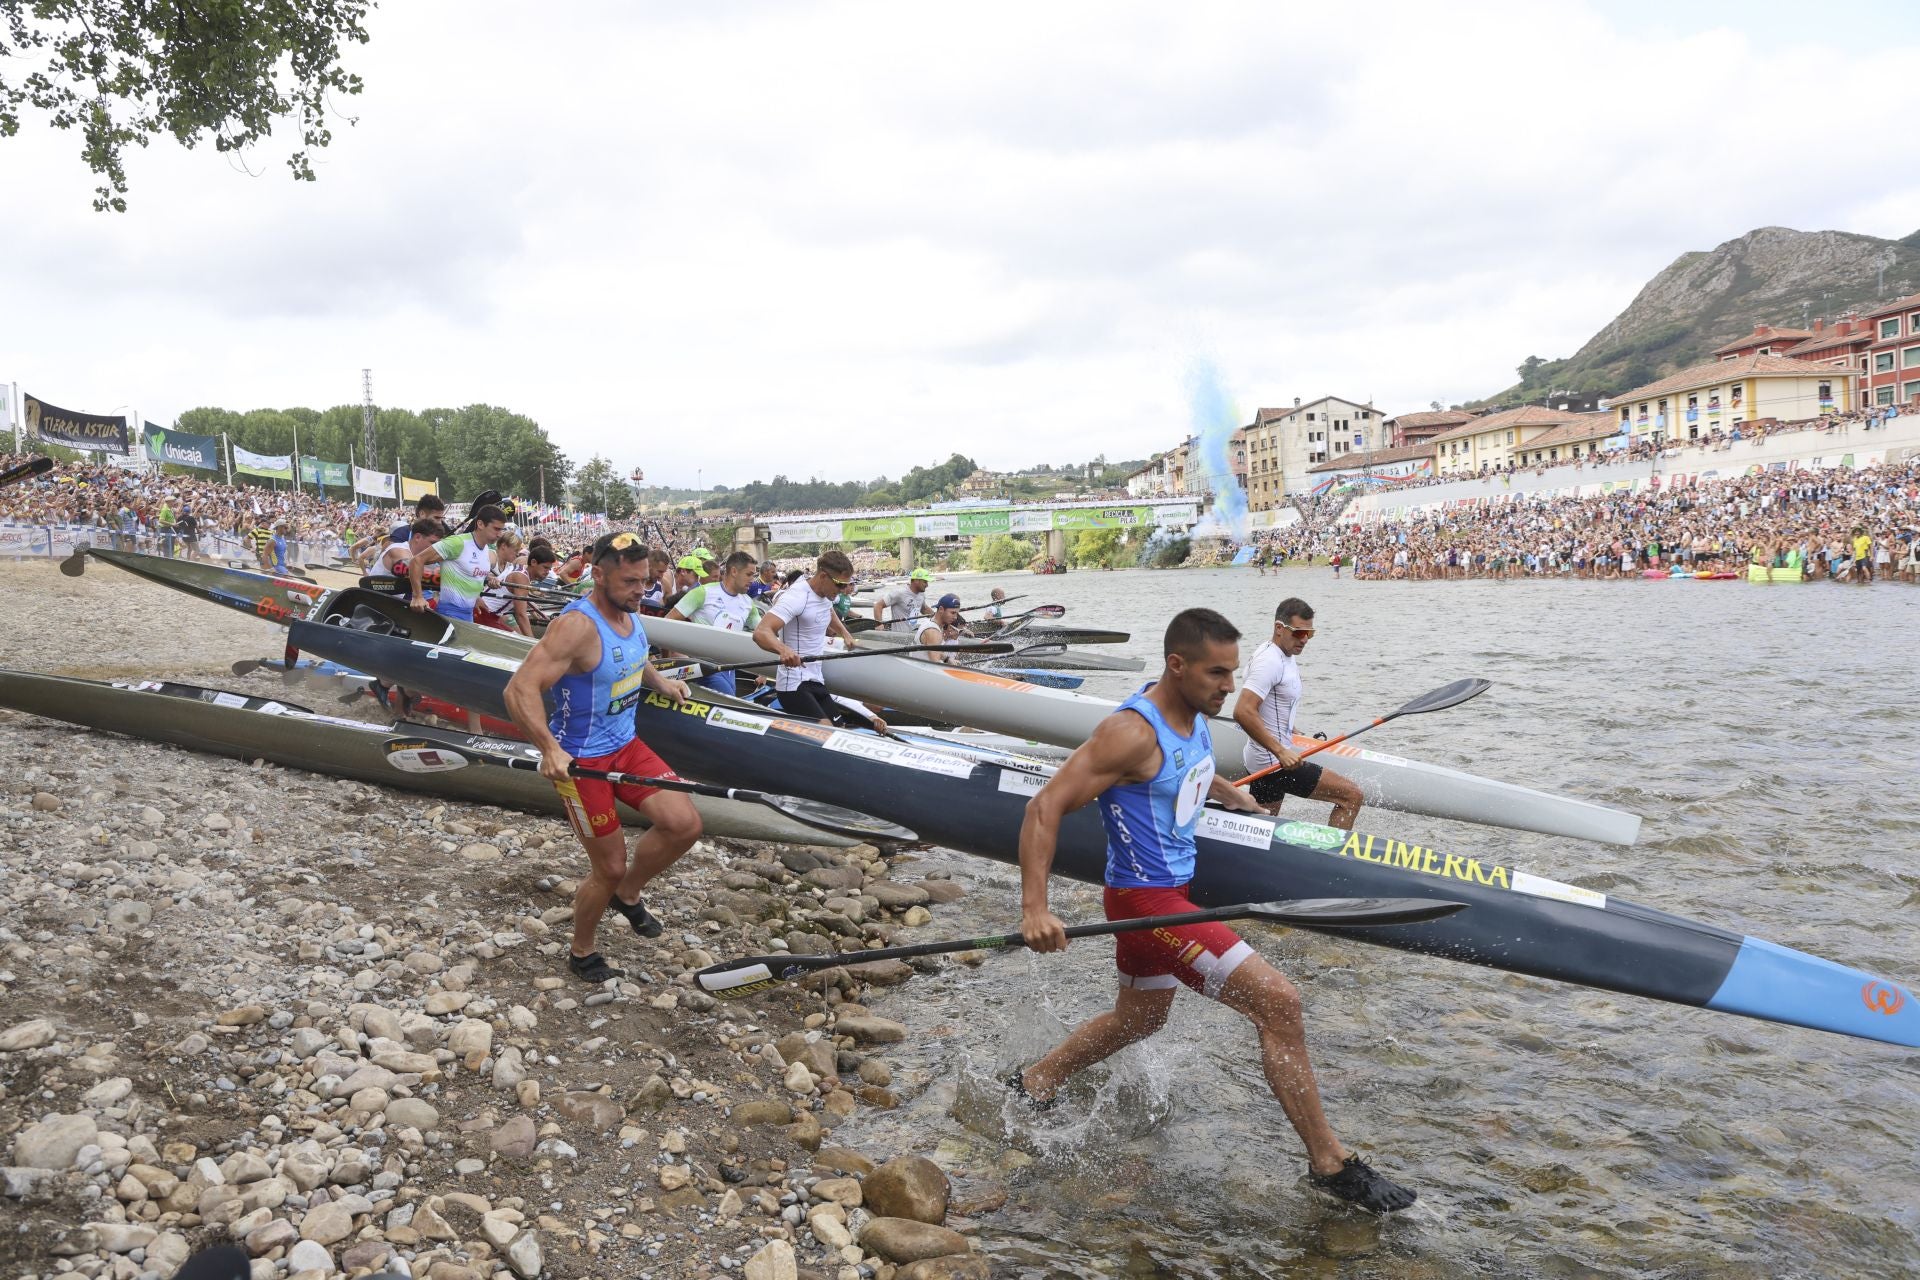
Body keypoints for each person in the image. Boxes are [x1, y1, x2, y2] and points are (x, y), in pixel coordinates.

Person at [1010, 607, 1416, 1213]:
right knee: (1280, 1003)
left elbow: (1193, 775)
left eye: (1231, 672)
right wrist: (1035, 909)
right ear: (1177, 666)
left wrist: (1237, 799)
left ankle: (1034, 1082)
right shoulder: (1131, 733)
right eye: (1218, 674)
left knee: (1140, 1020)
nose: (1231, 686)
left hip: (1161, 895)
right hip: (1149, 902)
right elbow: (1044, 808)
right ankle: (1329, 1163)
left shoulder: (1195, 715)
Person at [502, 531, 703, 984]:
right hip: (581, 763)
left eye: (646, 580)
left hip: (627, 746)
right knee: (608, 867)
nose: (641, 590)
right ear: (597, 574)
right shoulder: (577, 626)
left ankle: (629, 895)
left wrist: (662, 683)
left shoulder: (632, 613)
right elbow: (519, 689)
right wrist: (549, 750)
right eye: (631, 581)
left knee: (685, 824)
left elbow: (634, 658)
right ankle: (582, 950)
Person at [1232, 599, 1363, 829]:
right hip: (1273, 763)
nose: (1304, 639)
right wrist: (1281, 751)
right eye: (1299, 632)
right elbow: (1242, 711)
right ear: (1279, 628)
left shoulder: (1280, 654)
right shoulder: (1269, 661)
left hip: (1263, 760)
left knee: (1265, 828)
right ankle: (1331, 860)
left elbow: (1270, 702)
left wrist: (1290, 729)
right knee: (1351, 796)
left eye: (1309, 634)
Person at [753, 550, 886, 732]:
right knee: (827, 734)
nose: (841, 591)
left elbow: (828, 610)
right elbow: (761, 632)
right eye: (840, 585)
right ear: (823, 576)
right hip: (794, 684)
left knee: (841, 730)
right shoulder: (797, 596)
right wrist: (783, 650)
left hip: (816, 680)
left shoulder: (825, 594)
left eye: (845, 586)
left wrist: (844, 632)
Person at [667, 550, 763, 695]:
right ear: (734, 571)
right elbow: (668, 622)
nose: (752, 580)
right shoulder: (703, 593)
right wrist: (679, 656)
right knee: (730, 704)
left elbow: (763, 634)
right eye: (749, 574)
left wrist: (764, 672)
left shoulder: (748, 603)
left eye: (754, 575)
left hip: (730, 667)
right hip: (703, 665)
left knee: (729, 706)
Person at [408, 503, 506, 623]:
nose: (500, 534)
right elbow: (417, 560)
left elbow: (469, 572)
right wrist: (417, 596)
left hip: (469, 614)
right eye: (496, 529)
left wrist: (490, 579)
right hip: (450, 613)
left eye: (501, 530)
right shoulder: (458, 543)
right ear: (480, 524)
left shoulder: (485, 549)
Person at [873, 568, 932, 633]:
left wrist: (937, 617)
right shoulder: (899, 593)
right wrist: (879, 624)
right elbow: (878, 605)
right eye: (925, 582)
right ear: (916, 581)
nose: (927, 585)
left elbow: (924, 609)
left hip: (912, 634)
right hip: (899, 636)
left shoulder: (921, 594)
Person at [913, 593, 966, 662]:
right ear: (941, 609)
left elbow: (933, 649)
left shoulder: (930, 622)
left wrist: (947, 659)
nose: (955, 617)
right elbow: (936, 666)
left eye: (956, 613)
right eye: (952, 613)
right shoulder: (933, 632)